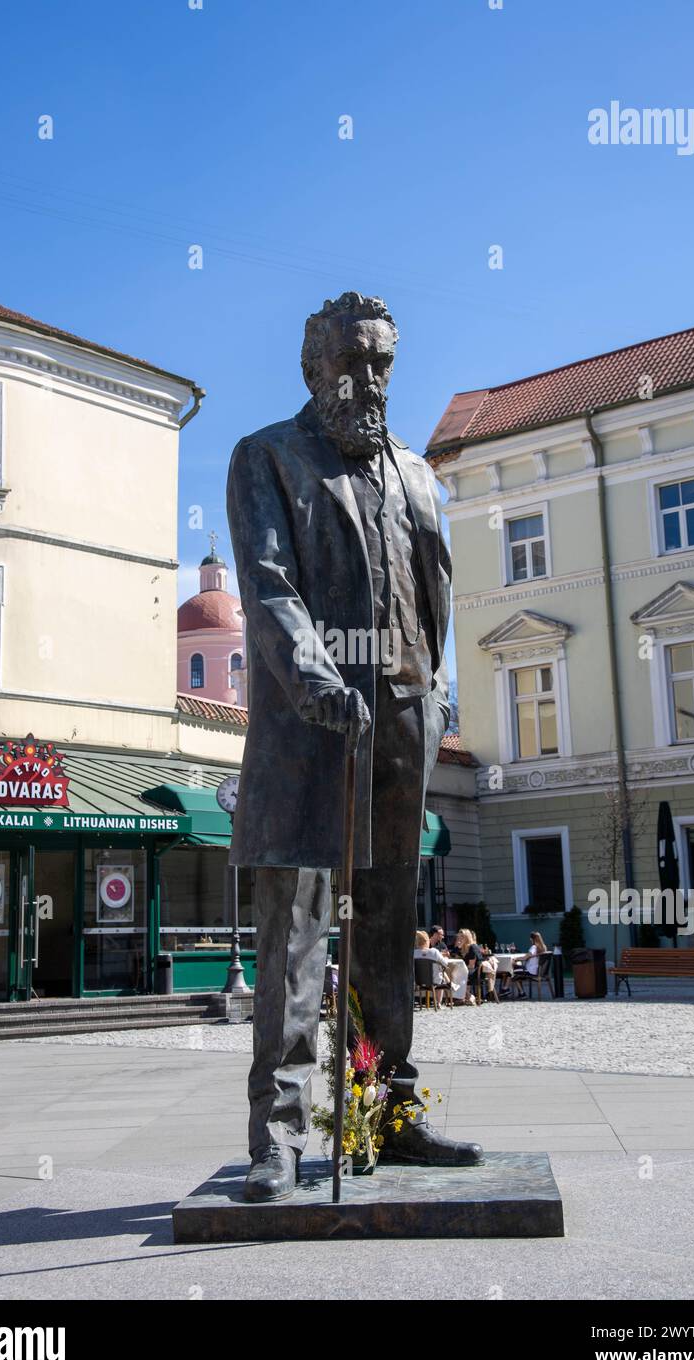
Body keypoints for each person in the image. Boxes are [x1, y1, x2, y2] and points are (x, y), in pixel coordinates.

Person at [227, 291, 483, 1203]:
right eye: (350, 363)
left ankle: (389, 1113)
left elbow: (435, 594)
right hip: (310, 725)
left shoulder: (417, 474)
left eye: (379, 364)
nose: (367, 380)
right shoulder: (269, 457)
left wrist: (435, 691)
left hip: (405, 718)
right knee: (294, 932)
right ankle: (282, 1136)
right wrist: (316, 681)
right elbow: (268, 585)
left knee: (384, 922)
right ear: (313, 370)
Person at [414, 930, 449, 1006]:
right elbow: (445, 964)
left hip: (418, 980)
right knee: (441, 976)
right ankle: (438, 1003)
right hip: (434, 981)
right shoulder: (434, 952)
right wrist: (446, 958)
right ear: (427, 941)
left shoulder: (414, 953)